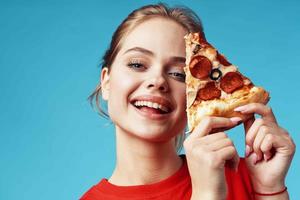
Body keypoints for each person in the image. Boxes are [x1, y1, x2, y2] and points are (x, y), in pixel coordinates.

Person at [80, 3, 295, 200]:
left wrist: (270, 189)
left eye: (179, 74)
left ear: (196, 97)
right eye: (137, 64)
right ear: (106, 81)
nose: (157, 81)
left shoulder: (247, 174)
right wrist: (207, 194)